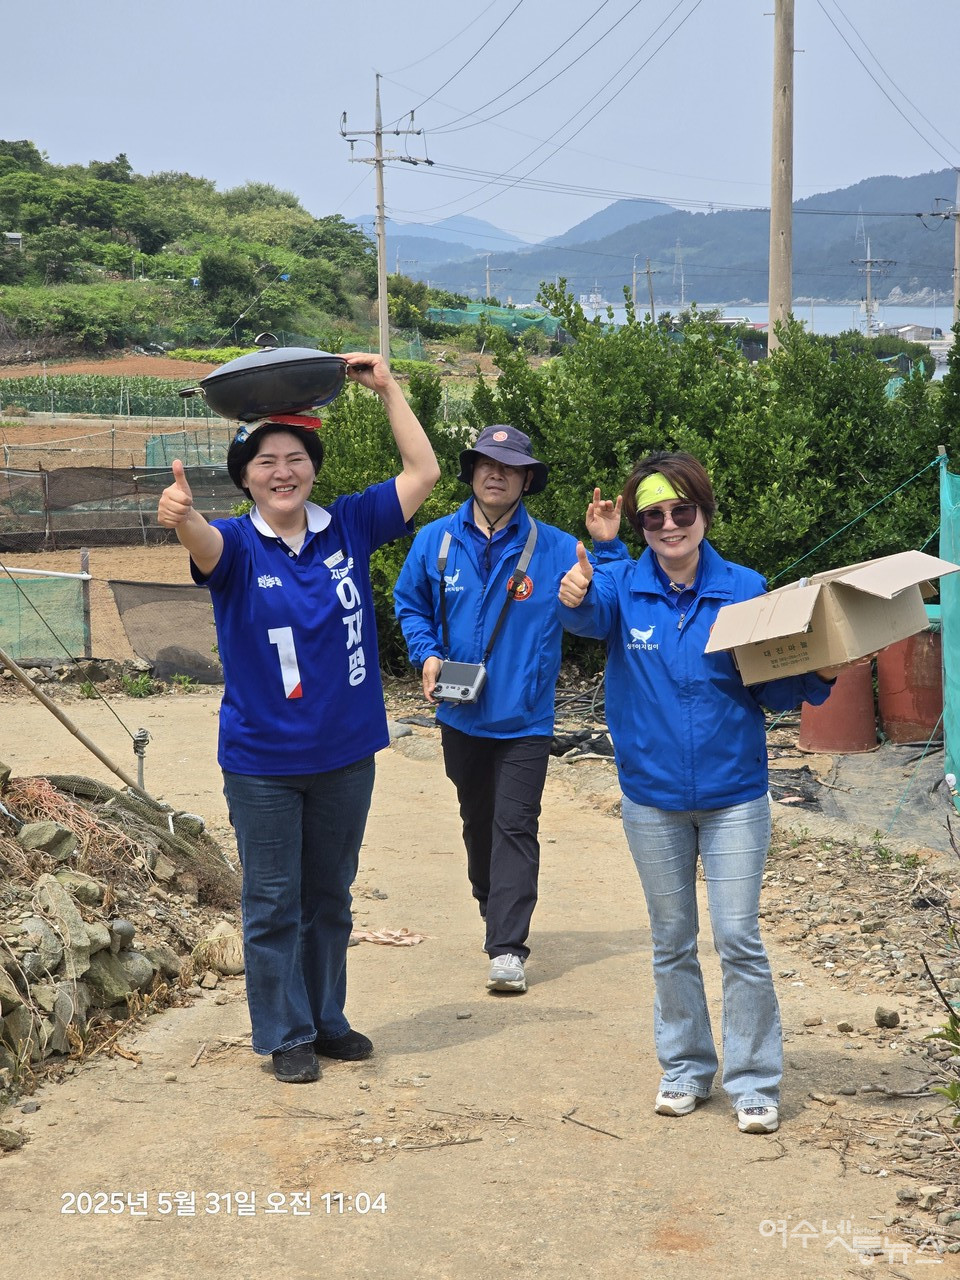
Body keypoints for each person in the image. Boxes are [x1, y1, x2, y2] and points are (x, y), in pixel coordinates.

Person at [157, 353, 439, 1084]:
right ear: (245, 474)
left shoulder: (347, 525)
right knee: (274, 901)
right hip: (262, 764)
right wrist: (184, 520)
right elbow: (206, 548)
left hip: (346, 754)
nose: (282, 472)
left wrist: (389, 391)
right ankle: (284, 1032)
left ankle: (326, 1019)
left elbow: (423, 473)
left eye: (295, 459)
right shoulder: (236, 544)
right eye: (266, 461)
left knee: (330, 897)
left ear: (313, 467)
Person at [557, 450, 843, 1135]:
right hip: (651, 796)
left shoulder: (746, 587)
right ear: (640, 524)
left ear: (704, 514)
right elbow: (585, 615)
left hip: (734, 793)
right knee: (673, 940)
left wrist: (821, 672)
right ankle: (686, 1068)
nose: (669, 525)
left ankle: (754, 1083)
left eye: (681, 511)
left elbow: (771, 683)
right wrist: (575, 587)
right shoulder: (623, 587)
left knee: (739, 936)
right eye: (652, 515)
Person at [394, 427, 620, 994]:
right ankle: (491, 901)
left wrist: (597, 569)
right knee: (478, 820)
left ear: (525, 480)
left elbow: (606, 609)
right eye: (486, 464)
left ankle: (507, 947)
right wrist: (426, 654)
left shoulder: (556, 548)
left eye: (509, 467)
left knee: (515, 822)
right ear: (472, 473)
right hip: (458, 712)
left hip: (525, 717)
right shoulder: (435, 541)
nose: (496, 474)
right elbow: (410, 603)